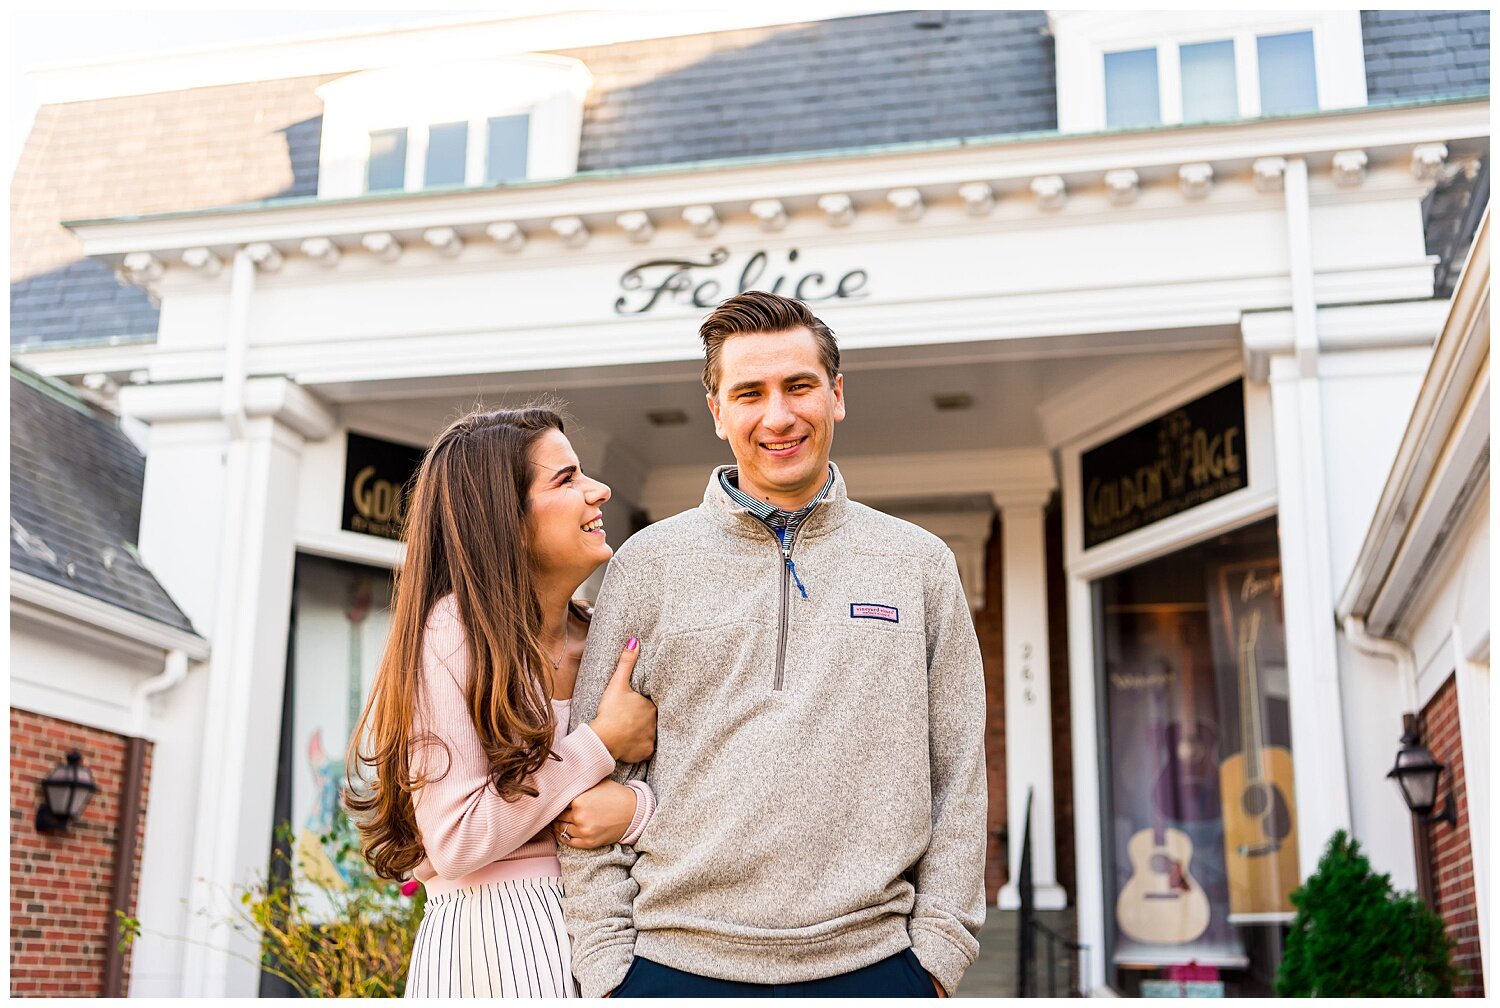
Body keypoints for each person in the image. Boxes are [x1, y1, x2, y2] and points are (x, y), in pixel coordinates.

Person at [559, 291, 987, 998]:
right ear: (718, 411)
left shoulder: (919, 564)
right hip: (672, 969)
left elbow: (960, 771)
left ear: (836, 395)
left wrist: (938, 954)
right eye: (749, 392)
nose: (778, 416)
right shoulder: (646, 566)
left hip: (876, 966)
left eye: (799, 386)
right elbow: (593, 772)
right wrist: (609, 967)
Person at [345, 406, 659, 997]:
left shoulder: (606, 641)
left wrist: (636, 809)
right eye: (565, 479)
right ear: (504, 520)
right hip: (490, 944)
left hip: (613, 925)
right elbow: (458, 839)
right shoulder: (452, 635)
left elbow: (681, 794)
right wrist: (598, 745)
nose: (600, 490)